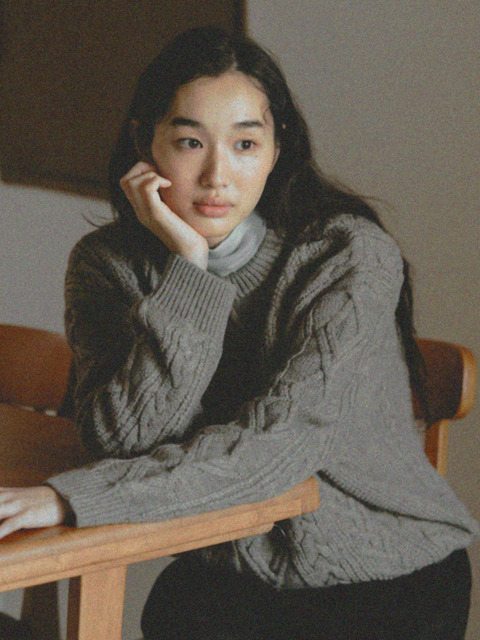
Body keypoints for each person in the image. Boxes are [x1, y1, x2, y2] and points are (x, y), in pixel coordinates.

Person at [0, 27, 477, 639]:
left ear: (277, 151)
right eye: (190, 142)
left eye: (246, 143)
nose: (217, 175)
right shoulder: (108, 265)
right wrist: (189, 269)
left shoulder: (348, 256)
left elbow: (276, 450)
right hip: (236, 562)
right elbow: (124, 438)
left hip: (391, 573)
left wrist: (71, 499)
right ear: (146, 143)